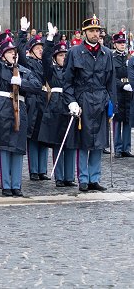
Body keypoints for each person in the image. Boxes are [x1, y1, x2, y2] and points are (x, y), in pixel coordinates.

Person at [0, 19, 42, 197]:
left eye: (14, 52)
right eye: (8, 52)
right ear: (3, 55)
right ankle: (6, 185)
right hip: (3, 109)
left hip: (20, 110)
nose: (12, 54)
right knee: (4, 148)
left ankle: (16, 185)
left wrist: (21, 82)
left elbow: (37, 86)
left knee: (17, 149)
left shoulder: (23, 70)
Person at [63, 15, 117, 192]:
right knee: (83, 142)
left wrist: (112, 104)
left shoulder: (107, 53)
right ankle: (83, 179)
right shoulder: (74, 52)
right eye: (92, 31)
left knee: (98, 142)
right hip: (83, 100)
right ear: (85, 33)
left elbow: (111, 82)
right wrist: (71, 101)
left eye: (97, 31)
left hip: (101, 99)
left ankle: (95, 178)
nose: (95, 34)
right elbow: (68, 81)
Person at [39, 23, 76, 187]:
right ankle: (59, 177)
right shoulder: (51, 70)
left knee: (70, 143)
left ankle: (69, 176)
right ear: (56, 58)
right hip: (55, 106)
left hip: (69, 105)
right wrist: (49, 39)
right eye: (60, 55)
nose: (63, 57)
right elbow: (45, 58)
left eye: (65, 55)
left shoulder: (72, 71)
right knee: (57, 142)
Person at [17, 17, 49, 181]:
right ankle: (34, 170)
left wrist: (51, 39)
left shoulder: (45, 62)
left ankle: (43, 169)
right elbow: (20, 50)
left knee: (43, 135)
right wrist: (23, 33)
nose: (40, 50)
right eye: (37, 48)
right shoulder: (28, 62)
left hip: (44, 99)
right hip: (32, 100)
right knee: (33, 136)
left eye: (41, 48)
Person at [111, 30, 132, 158]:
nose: (122, 45)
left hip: (129, 94)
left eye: (123, 43)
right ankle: (118, 149)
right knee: (117, 122)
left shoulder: (129, 58)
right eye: (119, 43)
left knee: (128, 122)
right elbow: (112, 77)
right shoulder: (112, 58)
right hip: (118, 93)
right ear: (115, 45)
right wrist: (123, 85)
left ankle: (126, 148)